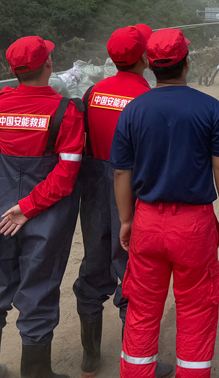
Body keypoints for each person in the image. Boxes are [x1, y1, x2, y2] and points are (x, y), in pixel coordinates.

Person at [111, 29, 219, 378]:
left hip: (147, 221)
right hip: (194, 226)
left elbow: (122, 173)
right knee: (196, 309)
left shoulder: (133, 111)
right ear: (187, 62)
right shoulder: (210, 108)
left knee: (142, 310)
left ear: (150, 65)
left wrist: (126, 220)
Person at [0, 36, 85, 378]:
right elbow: (66, 174)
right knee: (38, 286)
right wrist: (30, 205)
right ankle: (36, 374)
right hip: (44, 210)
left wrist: (18, 205)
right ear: (49, 65)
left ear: (12, 70)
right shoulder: (67, 112)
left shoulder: (0, 104)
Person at [73, 26, 172, 378]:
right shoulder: (149, 98)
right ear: (145, 58)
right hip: (134, 190)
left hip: (95, 189)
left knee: (95, 264)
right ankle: (137, 362)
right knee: (135, 272)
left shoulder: (92, 93)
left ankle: (90, 358)